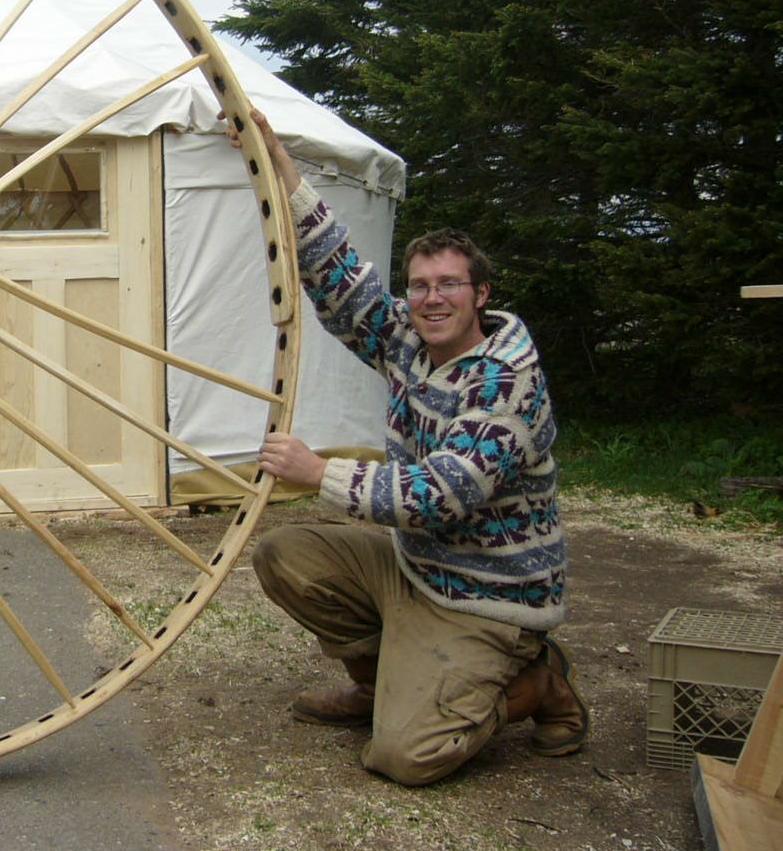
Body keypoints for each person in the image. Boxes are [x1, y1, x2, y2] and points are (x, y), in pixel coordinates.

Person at [231, 105, 587, 786]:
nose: (430, 299)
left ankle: (540, 684)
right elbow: (339, 276)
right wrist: (276, 156)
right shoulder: (410, 342)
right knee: (289, 556)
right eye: (420, 285)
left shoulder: (506, 385)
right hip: (414, 570)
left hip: (488, 600)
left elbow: (438, 497)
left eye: (449, 284)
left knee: (405, 757)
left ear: (480, 294)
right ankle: (375, 686)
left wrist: (318, 472)